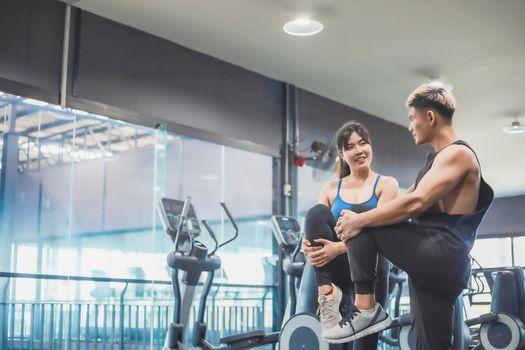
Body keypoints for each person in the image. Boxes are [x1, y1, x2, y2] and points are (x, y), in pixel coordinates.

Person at [324, 85, 494, 350]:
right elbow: (403, 200)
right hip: (434, 259)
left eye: (412, 119)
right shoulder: (437, 161)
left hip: (440, 250)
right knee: (431, 344)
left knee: (360, 216)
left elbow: (416, 202)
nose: (410, 127)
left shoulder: (458, 154)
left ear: (430, 117)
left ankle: (366, 308)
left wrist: (357, 220)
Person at [301, 121, 398, 349]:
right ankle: (326, 294)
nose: (359, 151)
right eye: (351, 147)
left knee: (365, 345)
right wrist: (307, 246)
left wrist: (337, 248)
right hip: (337, 271)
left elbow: (381, 233)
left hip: (371, 269)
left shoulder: (386, 184)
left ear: (370, 146)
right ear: (343, 155)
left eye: (363, 144)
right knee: (316, 213)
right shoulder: (330, 188)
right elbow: (317, 226)